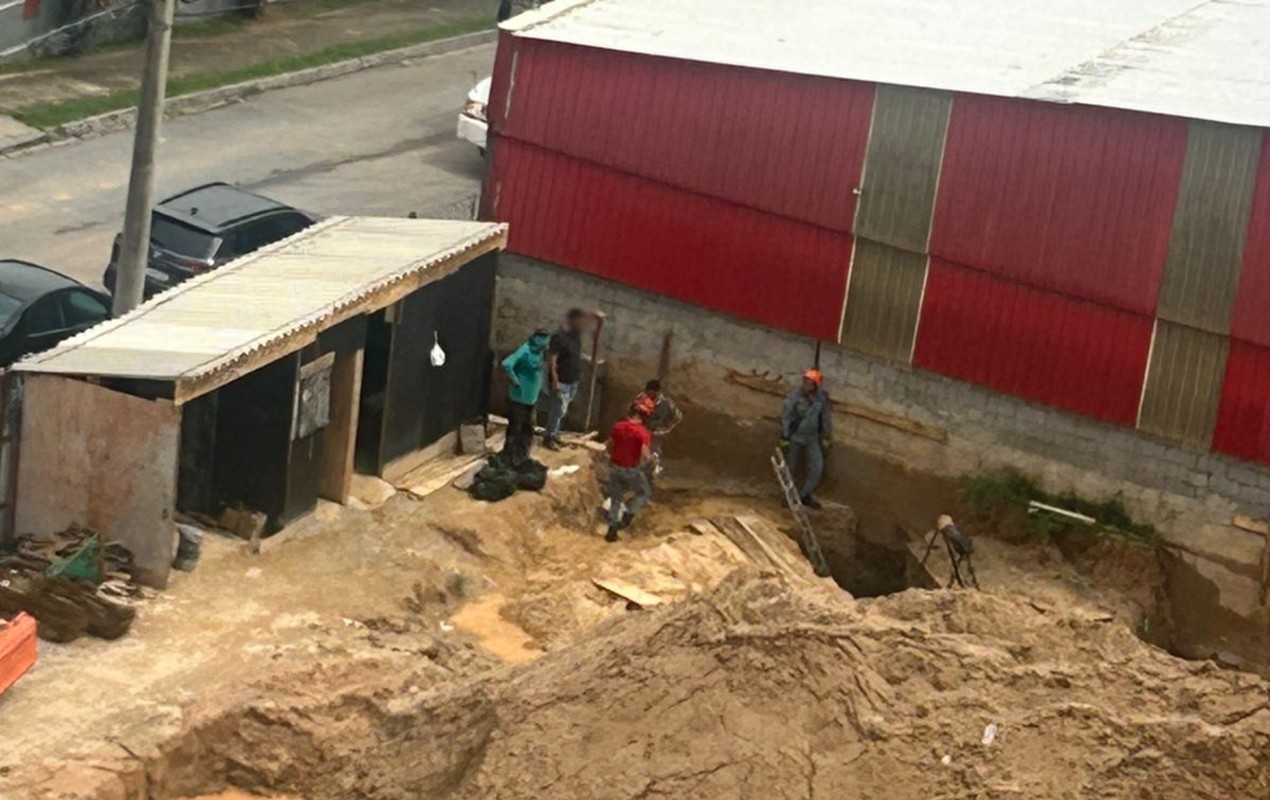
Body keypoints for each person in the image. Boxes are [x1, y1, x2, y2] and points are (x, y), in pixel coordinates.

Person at [780, 368, 833, 509]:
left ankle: (804, 495)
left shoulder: (821, 398)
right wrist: (785, 436)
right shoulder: (794, 397)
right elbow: (787, 415)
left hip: (812, 438)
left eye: (809, 382)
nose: (805, 384)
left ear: (815, 385)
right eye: (805, 380)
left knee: (817, 468)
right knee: (790, 468)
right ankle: (788, 496)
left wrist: (826, 436)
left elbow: (825, 417)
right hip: (796, 437)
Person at [605, 400, 655, 543]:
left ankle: (612, 529)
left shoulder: (617, 427)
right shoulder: (643, 433)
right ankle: (628, 514)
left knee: (615, 499)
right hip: (632, 469)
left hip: (615, 467)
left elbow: (610, 445)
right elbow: (645, 454)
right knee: (644, 493)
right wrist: (649, 461)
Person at [501, 329, 550, 466]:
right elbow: (507, 364)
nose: (546, 344)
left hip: (531, 399)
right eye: (544, 340)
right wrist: (515, 381)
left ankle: (522, 457)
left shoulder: (539, 353)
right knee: (516, 429)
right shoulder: (525, 350)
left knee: (527, 430)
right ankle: (510, 458)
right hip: (519, 400)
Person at [543, 308, 589, 450]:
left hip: (572, 380)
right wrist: (555, 381)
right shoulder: (559, 337)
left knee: (562, 411)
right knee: (556, 410)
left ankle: (555, 434)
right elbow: (552, 360)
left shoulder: (576, 337)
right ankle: (549, 437)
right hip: (561, 380)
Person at [634, 379, 682, 480]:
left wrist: (666, 428)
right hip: (641, 432)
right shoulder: (641, 399)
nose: (649, 394)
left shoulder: (666, 404)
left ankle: (653, 476)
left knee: (654, 454)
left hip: (655, 433)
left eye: (652, 392)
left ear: (657, 392)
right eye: (648, 392)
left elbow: (677, 417)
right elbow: (632, 412)